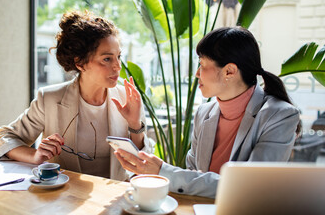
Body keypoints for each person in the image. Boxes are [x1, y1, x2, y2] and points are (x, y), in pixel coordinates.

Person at [114, 27, 300, 198]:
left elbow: (251, 187)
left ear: (229, 71)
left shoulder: (279, 115)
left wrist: (163, 171)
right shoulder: (204, 113)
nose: (197, 73)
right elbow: (193, 176)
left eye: (202, 65)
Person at [0, 10, 154, 181]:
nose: (117, 66)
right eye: (107, 59)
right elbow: (2, 139)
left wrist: (135, 125)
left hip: (114, 199)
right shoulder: (50, 99)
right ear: (80, 63)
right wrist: (34, 155)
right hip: (63, 198)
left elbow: (142, 164)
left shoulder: (127, 98)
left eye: (118, 57)